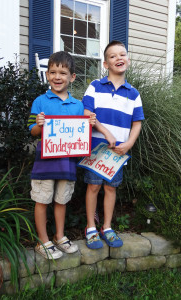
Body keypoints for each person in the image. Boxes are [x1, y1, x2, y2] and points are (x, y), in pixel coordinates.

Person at [27, 51, 96, 259]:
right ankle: (43, 240)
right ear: (47, 75)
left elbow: (81, 133)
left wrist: (89, 125)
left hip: (67, 163)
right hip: (45, 162)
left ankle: (59, 235)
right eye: (53, 72)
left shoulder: (78, 106)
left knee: (61, 201)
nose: (58, 77)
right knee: (42, 200)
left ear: (72, 77)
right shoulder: (40, 101)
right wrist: (38, 125)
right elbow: (32, 131)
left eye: (63, 73)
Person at [82, 40, 145, 249]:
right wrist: (105, 131)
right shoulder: (95, 86)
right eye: (113, 56)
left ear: (128, 59)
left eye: (122, 54)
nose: (119, 58)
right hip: (96, 149)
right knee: (93, 186)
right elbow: (87, 114)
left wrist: (129, 144)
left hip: (118, 152)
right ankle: (91, 227)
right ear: (105, 63)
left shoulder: (133, 93)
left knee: (110, 189)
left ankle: (106, 227)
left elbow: (137, 123)